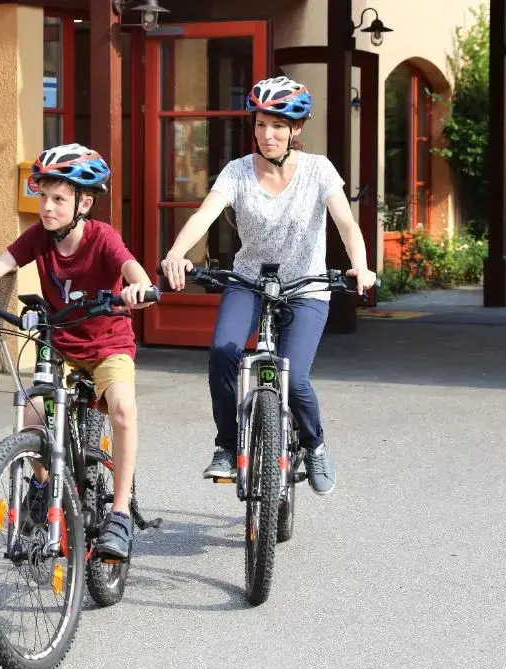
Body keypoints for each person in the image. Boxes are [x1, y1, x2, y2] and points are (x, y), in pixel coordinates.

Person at [0, 143, 154, 559]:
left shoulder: (103, 237)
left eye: (59, 199)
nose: (47, 207)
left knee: (123, 409)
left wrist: (139, 286)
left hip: (107, 343)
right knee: (31, 416)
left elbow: (131, 268)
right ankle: (42, 483)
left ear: (84, 203)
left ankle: (121, 513)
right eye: (43, 197)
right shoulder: (39, 238)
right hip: (60, 344)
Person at [159, 76, 377, 496]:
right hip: (249, 282)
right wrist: (176, 253)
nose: (267, 134)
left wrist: (361, 268)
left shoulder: (318, 170)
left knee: (294, 378)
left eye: (278, 125)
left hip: (306, 287)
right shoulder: (237, 172)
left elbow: (346, 225)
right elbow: (204, 216)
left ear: (296, 129)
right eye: (261, 124)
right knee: (224, 351)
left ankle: (314, 445)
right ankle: (226, 445)